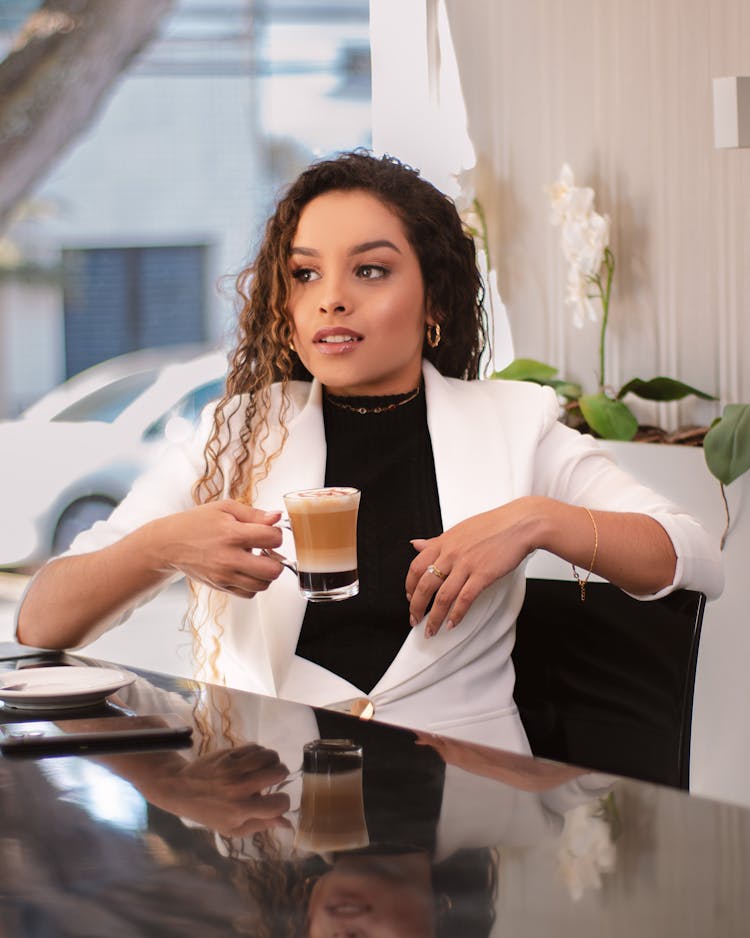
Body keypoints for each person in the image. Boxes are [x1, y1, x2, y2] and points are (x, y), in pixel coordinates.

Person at [16, 150, 723, 751]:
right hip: (271, 824)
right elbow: (41, 621)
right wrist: (161, 547)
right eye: (305, 274)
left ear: (435, 301)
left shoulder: (515, 424)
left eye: (371, 271)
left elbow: (693, 553)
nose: (331, 300)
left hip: (470, 827)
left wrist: (538, 520)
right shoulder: (235, 433)